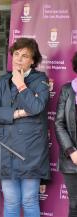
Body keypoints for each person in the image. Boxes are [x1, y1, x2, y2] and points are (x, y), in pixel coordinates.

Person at [0, 37, 50, 217]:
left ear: (33, 60)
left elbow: (37, 107)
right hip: (6, 148)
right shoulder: (2, 81)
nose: (19, 59)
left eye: (24, 56)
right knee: (11, 200)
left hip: (31, 150)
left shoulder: (40, 80)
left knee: (29, 200)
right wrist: (17, 113)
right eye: (16, 54)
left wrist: (21, 85)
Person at [55, 51, 77, 217]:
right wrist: (71, 151)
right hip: (72, 160)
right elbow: (59, 123)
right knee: (75, 205)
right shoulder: (67, 90)